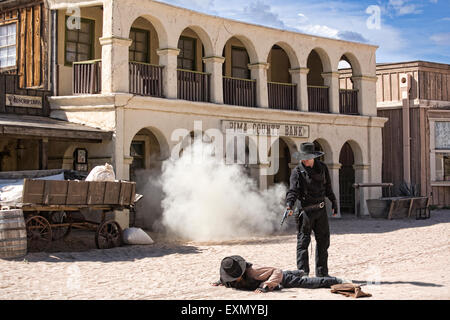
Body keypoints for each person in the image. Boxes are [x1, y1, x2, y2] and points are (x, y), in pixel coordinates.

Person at [285, 142, 338, 278]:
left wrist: (333, 202)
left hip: (321, 211)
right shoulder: (297, 172)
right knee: (303, 243)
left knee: (323, 241)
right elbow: (293, 191)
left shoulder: (323, 168)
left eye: (307, 157)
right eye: (303, 157)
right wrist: (289, 204)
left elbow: (328, 188)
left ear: (313, 156)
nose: (305, 160)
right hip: (305, 212)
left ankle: (322, 273)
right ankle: (303, 274)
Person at [211, 255, 349, 293]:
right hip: (272, 279)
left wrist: (266, 285)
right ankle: (297, 272)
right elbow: (225, 278)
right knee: (292, 274)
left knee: (306, 283)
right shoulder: (228, 277)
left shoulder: (253, 273)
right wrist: (220, 281)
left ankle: (336, 280)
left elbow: (275, 271)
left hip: (277, 278)